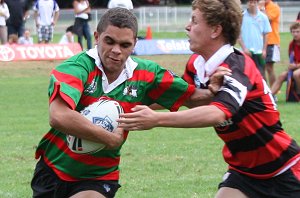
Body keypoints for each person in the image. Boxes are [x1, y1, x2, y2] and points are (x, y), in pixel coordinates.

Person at [30, 7, 226, 198]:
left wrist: (212, 91)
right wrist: (109, 139)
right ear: (97, 37)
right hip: (53, 169)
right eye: (109, 41)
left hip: (99, 175)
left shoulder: (147, 74)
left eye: (124, 45)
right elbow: (59, 116)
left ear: (134, 45)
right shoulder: (76, 67)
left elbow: (190, 98)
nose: (116, 50)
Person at [118, 1, 300, 198]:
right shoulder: (196, 65)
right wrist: (119, 104)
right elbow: (177, 98)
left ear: (215, 30)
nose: (187, 26)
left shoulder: (237, 66)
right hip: (244, 171)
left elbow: (217, 113)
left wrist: (156, 119)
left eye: (194, 21)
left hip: (284, 168)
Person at [238, 0, 271, 79]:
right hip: (246, 52)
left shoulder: (263, 17)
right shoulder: (241, 17)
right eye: (250, 2)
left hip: (259, 52)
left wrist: (264, 50)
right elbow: (238, 34)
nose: (252, 4)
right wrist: (244, 48)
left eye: (254, 2)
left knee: (261, 76)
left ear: (257, 3)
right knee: (246, 76)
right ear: (247, 3)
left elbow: (266, 34)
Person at [271, 21, 300, 101]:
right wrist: (291, 66)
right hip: (295, 68)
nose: (295, 34)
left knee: (296, 74)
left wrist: (296, 66)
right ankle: (270, 96)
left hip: (297, 69)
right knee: (282, 75)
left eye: (297, 31)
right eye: (293, 32)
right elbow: (292, 59)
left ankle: (298, 95)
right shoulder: (292, 44)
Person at [263, 0, 281, 87]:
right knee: (261, 68)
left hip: (272, 41)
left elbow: (267, 20)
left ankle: (273, 92)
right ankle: (265, 91)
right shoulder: (259, 7)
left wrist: (261, 8)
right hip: (261, 42)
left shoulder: (274, 7)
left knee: (269, 67)